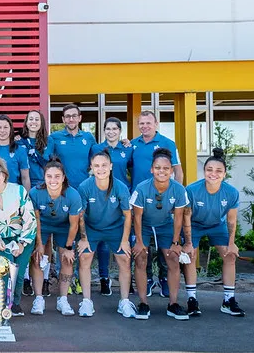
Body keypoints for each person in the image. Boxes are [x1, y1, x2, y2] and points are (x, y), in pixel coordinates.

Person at [183, 148, 245, 317]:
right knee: (190, 256)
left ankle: (228, 300)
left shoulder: (231, 192)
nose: (213, 174)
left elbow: (231, 220)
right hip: (194, 225)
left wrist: (232, 244)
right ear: (204, 172)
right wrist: (188, 243)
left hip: (217, 225)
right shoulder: (192, 190)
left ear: (224, 174)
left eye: (218, 171)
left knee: (229, 255)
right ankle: (191, 300)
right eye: (209, 170)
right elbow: (186, 218)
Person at [129, 148, 190, 321]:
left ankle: (173, 304)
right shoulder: (142, 188)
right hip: (145, 225)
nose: (161, 171)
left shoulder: (178, 189)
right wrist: (140, 241)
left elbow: (178, 217)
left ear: (171, 170)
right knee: (140, 257)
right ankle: (143, 303)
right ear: (151, 169)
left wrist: (176, 242)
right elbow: (137, 218)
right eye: (157, 168)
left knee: (172, 258)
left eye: (165, 168)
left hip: (165, 225)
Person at [76, 149, 136, 319]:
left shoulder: (120, 187)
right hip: (92, 228)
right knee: (84, 257)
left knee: (124, 259)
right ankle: (87, 301)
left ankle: (124, 301)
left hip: (115, 228)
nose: (100, 169)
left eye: (104, 165)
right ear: (91, 168)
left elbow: (127, 215)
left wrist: (125, 240)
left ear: (110, 166)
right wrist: (83, 238)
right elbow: (81, 215)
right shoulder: (85, 186)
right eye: (96, 166)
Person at [130, 110, 183, 299]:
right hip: (140, 203)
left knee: (166, 247)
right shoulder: (133, 145)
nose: (145, 126)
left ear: (156, 123)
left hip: (164, 203)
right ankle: (149, 280)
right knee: (142, 248)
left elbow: (178, 171)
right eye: (141, 123)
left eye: (148, 123)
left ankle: (164, 279)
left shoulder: (168, 143)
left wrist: (176, 196)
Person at [0, 157, 37, 316]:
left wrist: (22, 243)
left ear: (4, 175)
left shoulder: (19, 190)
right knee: (3, 274)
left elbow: (30, 219)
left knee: (18, 275)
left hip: (23, 239)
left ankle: (16, 303)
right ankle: (3, 306)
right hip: (2, 241)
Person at [28, 160, 82, 316]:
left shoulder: (73, 195)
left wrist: (69, 248)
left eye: (57, 176)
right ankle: (38, 298)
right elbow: (36, 220)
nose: (53, 180)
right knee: (38, 257)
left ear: (64, 177)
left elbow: (74, 225)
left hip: (64, 226)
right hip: (42, 225)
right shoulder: (35, 193)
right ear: (44, 177)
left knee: (66, 259)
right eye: (49, 176)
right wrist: (39, 244)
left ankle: (63, 299)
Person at [89, 117, 134, 296]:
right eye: (108, 128)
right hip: (102, 199)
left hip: (122, 198)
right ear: (104, 130)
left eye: (115, 129)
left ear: (120, 131)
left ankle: (126, 280)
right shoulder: (96, 149)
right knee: (103, 244)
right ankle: (104, 279)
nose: (111, 132)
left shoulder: (128, 149)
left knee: (126, 240)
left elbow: (133, 169)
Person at [18, 110, 52, 296]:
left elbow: (49, 163)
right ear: (26, 121)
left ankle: (45, 278)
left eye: (36, 119)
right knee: (26, 236)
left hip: (44, 190)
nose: (33, 122)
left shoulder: (48, 141)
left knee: (44, 239)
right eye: (30, 118)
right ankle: (25, 279)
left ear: (41, 122)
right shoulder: (19, 142)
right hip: (24, 191)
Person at [44, 103, 96, 188]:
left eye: (74, 116)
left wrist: (122, 142)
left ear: (80, 118)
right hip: (62, 188)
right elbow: (45, 159)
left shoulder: (88, 137)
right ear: (63, 119)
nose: (71, 119)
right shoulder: (54, 137)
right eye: (67, 116)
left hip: (84, 187)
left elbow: (98, 157)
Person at [0, 115, 31, 190]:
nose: (2, 130)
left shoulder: (20, 150)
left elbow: (25, 178)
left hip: (14, 194)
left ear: (11, 129)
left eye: (5, 127)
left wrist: (26, 198)